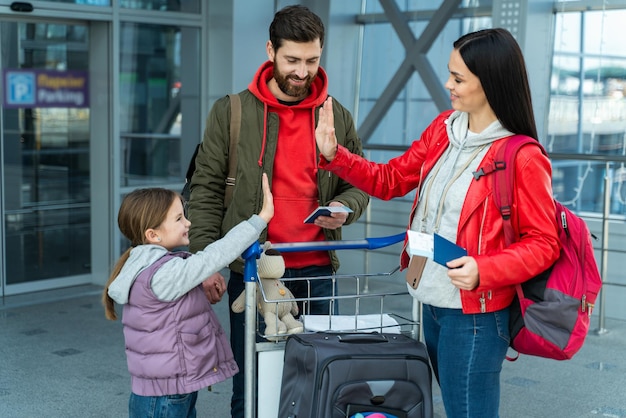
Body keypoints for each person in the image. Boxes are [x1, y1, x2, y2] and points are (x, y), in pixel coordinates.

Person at [314, 28, 561, 418]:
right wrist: (336, 155)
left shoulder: (523, 156)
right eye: (450, 73)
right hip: (431, 301)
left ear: (490, 82)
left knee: (468, 411)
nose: (448, 84)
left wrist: (484, 268)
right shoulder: (444, 129)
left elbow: (544, 243)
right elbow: (391, 179)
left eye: (458, 78)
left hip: (476, 314)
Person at [186, 5, 369, 417]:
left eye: (312, 60)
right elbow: (206, 190)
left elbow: (358, 182)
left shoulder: (336, 114)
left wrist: (344, 207)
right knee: (251, 387)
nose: (303, 71)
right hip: (252, 270)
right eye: (292, 60)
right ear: (270, 50)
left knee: (323, 383)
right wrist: (205, 261)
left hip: (319, 272)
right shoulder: (230, 111)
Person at [102, 174, 274, 418]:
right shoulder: (163, 273)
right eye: (179, 218)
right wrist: (260, 220)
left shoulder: (145, 263)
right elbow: (215, 255)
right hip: (166, 395)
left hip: (166, 387)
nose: (188, 223)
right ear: (153, 235)